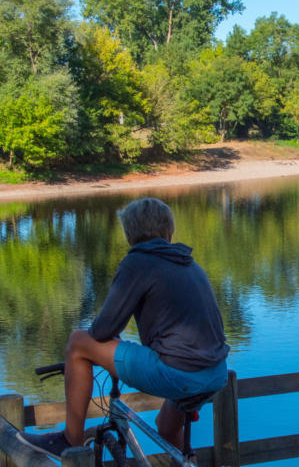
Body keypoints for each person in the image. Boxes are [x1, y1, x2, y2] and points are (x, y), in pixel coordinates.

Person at [18, 197, 229, 459]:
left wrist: (102, 344)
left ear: (130, 233)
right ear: (169, 230)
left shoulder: (139, 261)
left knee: (77, 342)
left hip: (178, 373)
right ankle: (185, 461)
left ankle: (69, 438)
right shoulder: (188, 262)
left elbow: (101, 331)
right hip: (215, 372)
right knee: (166, 427)